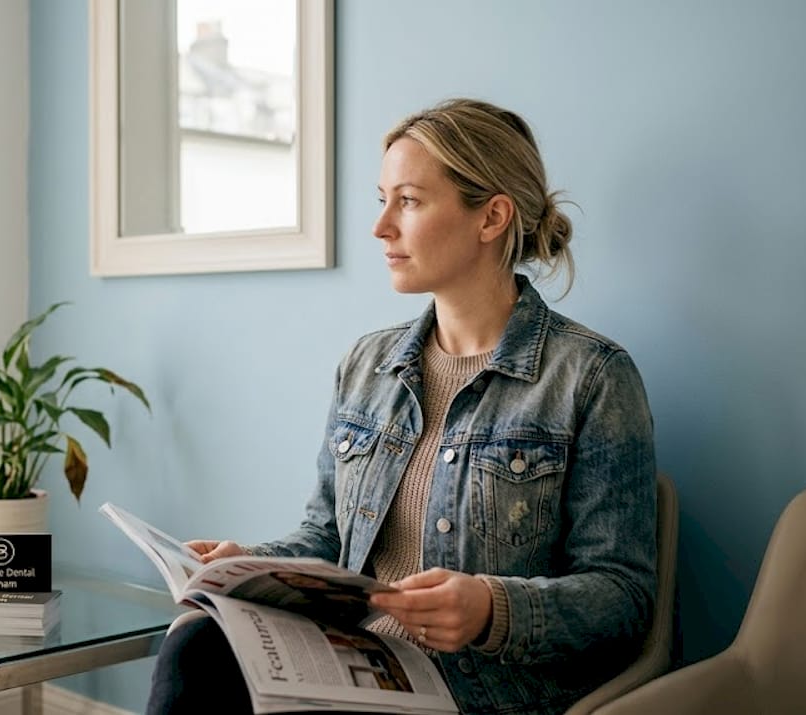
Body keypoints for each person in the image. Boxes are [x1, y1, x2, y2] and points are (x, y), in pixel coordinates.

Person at [147, 98, 656, 715]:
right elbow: (328, 535)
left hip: (482, 689)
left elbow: (623, 597)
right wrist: (250, 563)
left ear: (491, 217)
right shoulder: (368, 365)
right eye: (381, 198)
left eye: (408, 201)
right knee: (198, 645)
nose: (381, 226)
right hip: (354, 656)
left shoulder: (591, 376)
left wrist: (491, 608)